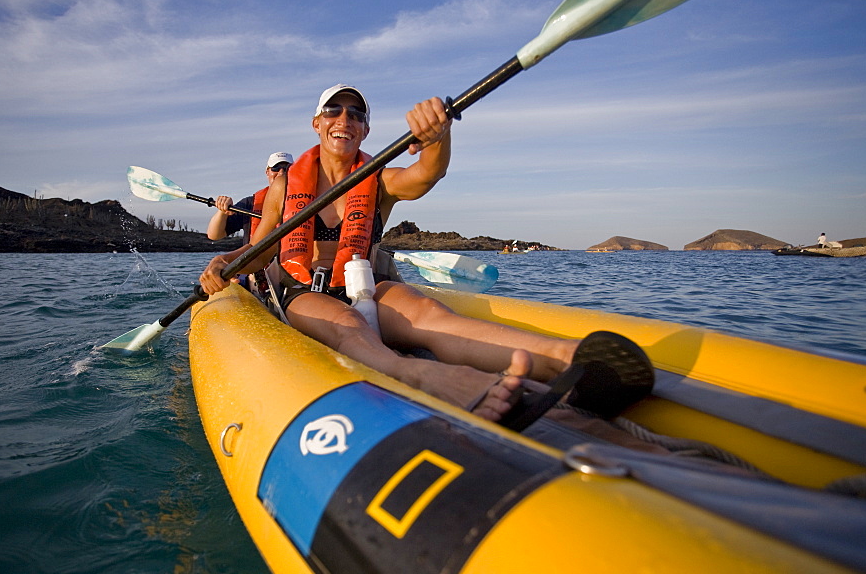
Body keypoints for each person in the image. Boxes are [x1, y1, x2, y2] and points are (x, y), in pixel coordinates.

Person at [199, 85, 653, 425]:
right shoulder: (285, 184)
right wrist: (227, 261)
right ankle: (427, 380)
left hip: (363, 284)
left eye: (356, 113)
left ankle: (572, 359)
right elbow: (264, 251)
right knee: (351, 333)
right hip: (304, 292)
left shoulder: (377, 181)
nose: (345, 118)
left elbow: (425, 174)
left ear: (366, 129)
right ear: (317, 124)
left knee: (432, 315)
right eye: (334, 110)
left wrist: (436, 136)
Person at [207, 152, 294, 245]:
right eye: (275, 168)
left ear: (294, 173)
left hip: (292, 256)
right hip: (257, 256)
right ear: (267, 172)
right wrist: (222, 211)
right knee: (219, 260)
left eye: (287, 169)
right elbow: (214, 235)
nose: (281, 173)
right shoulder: (249, 203)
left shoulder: (306, 203)